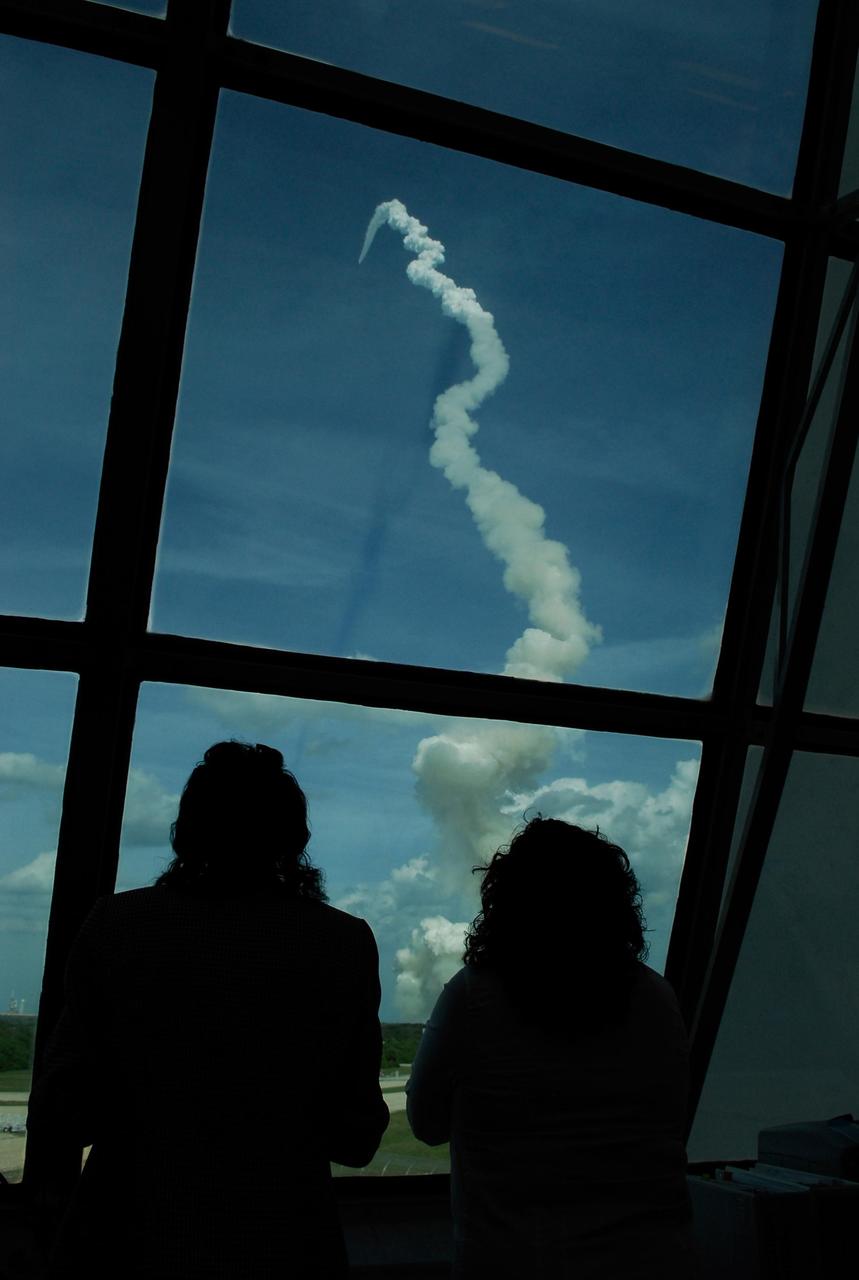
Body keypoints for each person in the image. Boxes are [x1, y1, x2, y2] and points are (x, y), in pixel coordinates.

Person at [28, 740, 388, 1279]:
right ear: (296, 840)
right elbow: (357, 1137)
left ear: (186, 832)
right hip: (283, 1239)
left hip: (120, 1237)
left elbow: (61, 1107)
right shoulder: (342, 944)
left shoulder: (115, 926)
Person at [406, 817, 693, 1280]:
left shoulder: (472, 995)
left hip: (512, 1259)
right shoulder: (658, 997)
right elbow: (671, 1118)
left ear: (507, 904)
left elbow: (426, 1124)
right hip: (652, 1256)